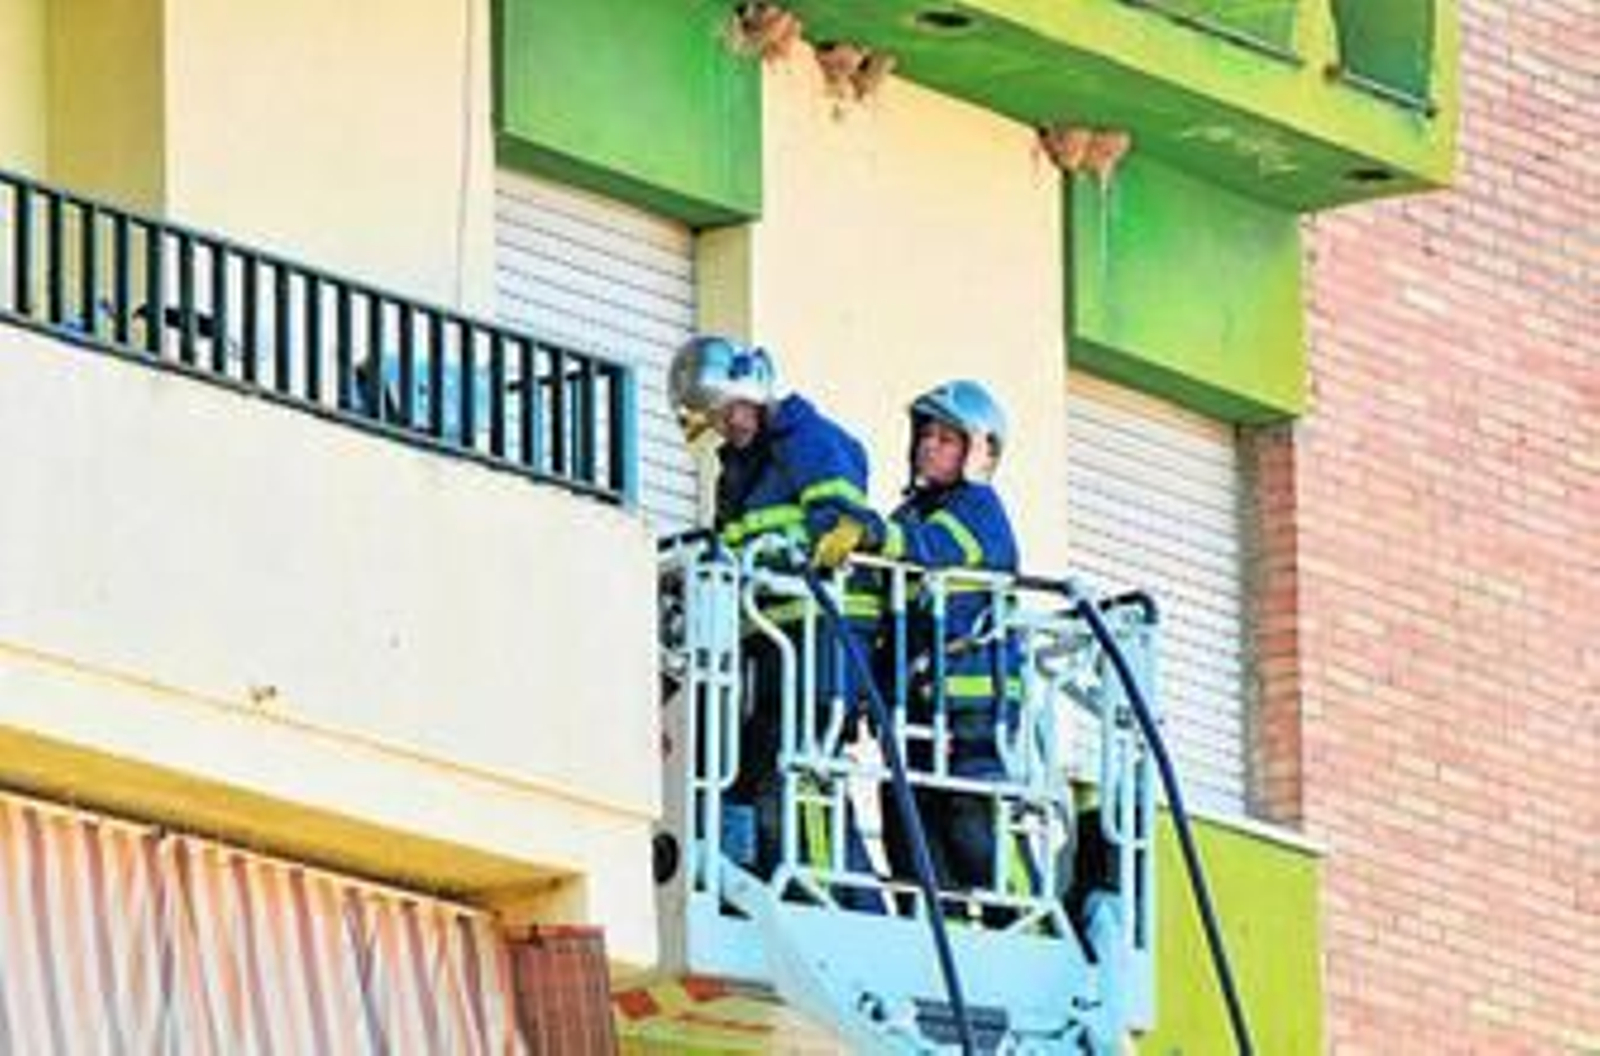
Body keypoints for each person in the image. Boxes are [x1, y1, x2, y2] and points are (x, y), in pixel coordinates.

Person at [667, 335, 880, 907]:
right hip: (768, 639)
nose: (725, 426)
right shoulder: (737, 471)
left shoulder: (812, 442)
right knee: (758, 769)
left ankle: (833, 899)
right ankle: (768, 881)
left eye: (727, 411)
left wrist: (797, 552)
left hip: (820, 636)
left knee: (802, 775)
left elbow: (839, 527)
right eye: (713, 418)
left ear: (753, 395)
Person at [870, 380, 1030, 916]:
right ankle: (940, 928)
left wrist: (871, 536)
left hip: (974, 712)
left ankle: (1028, 921)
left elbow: (931, 552)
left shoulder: (978, 510)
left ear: (977, 452)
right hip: (916, 711)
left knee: (973, 816)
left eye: (946, 438)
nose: (929, 447)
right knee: (908, 819)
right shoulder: (910, 516)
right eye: (926, 435)